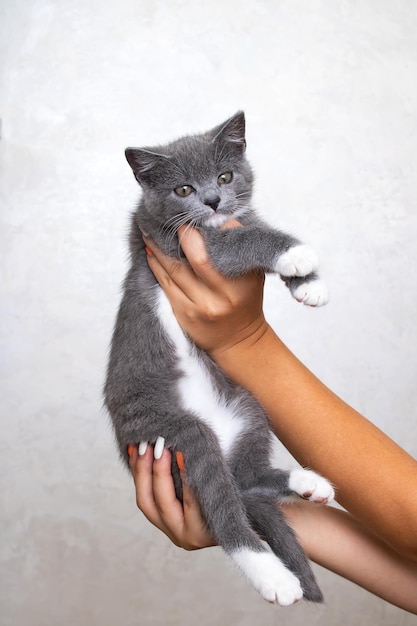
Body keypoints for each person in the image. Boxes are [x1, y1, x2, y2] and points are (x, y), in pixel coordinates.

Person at [128, 224, 417, 614]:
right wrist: (278, 513)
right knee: (225, 433)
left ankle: (245, 527)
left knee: (240, 417)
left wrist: (245, 340)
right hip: (167, 402)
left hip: (193, 404)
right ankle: (253, 509)